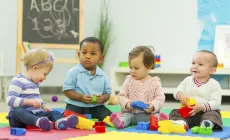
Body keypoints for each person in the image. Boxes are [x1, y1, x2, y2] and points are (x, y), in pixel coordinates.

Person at [6, 48, 78, 131]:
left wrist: (44, 107)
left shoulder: (35, 83)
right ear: (35, 68)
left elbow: (37, 99)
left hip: (35, 114)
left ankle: (60, 122)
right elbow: (10, 100)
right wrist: (29, 102)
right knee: (18, 111)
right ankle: (38, 122)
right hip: (18, 119)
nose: (45, 78)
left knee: (54, 112)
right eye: (44, 74)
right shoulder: (18, 81)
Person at [110, 46, 166, 129]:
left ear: (149, 66)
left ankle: (160, 121)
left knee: (154, 116)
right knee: (125, 117)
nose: (132, 71)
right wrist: (127, 104)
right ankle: (120, 123)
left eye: (136, 68)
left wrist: (152, 106)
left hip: (148, 114)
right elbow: (121, 96)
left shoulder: (155, 82)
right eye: (130, 67)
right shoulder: (129, 80)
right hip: (131, 113)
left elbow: (160, 97)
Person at [169, 50, 223, 131]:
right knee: (174, 112)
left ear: (211, 70)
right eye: (193, 63)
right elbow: (177, 90)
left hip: (205, 112)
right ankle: (181, 123)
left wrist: (202, 107)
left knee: (214, 114)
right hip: (189, 112)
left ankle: (207, 123)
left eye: (200, 64)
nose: (195, 66)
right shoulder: (187, 80)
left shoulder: (214, 84)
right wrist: (180, 95)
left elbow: (216, 103)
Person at [63, 37, 112, 121]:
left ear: (100, 58)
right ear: (79, 55)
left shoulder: (103, 76)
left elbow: (107, 93)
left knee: (109, 117)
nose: (88, 56)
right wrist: (81, 98)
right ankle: (70, 118)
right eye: (84, 53)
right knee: (70, 116)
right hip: (76, 105)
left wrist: (102, 98)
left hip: (96, 106)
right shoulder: (73, 72)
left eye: (93, 54)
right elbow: (67, 91)